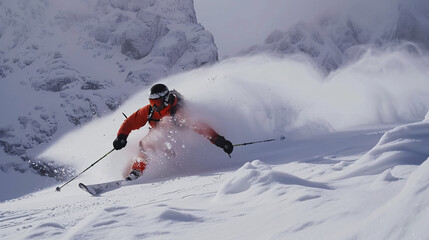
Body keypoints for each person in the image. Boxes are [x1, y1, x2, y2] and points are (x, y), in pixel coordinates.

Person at [113, 83, 233, 180]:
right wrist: (121, 137)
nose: (154, 106)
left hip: (179, 140)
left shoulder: (179, 113)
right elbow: (131, 122)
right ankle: (134, 171)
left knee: (150, 143)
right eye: (151, 102)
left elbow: (200, 127)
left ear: (165, 99)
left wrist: (220, 141)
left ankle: (139, 171)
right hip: (160, 135)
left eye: (157, 102)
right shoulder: (150, 110)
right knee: (145, 144)